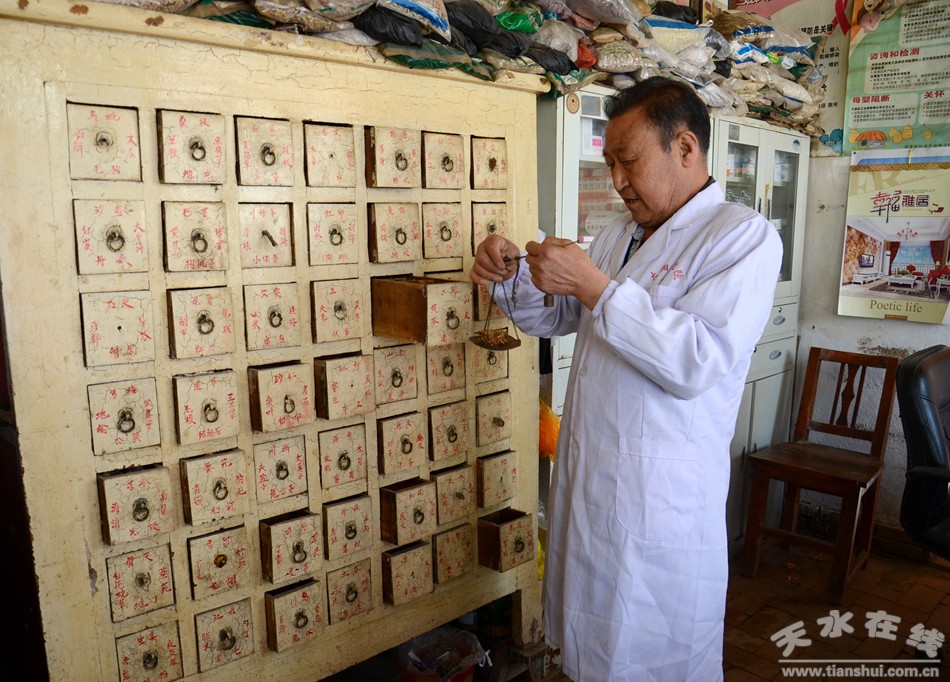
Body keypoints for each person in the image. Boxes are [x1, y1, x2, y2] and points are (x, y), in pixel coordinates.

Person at [470, 77, 783, 681]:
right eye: (609, 161)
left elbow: (698, 357)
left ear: (685, 148)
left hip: (659, 505)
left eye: (629, 160)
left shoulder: (741, 236)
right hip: (593, 487)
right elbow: (561, 315)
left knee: (653, 656)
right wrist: (508, 278)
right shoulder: (618, 234)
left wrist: (593, 283)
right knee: (588, 650)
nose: (617, 179)